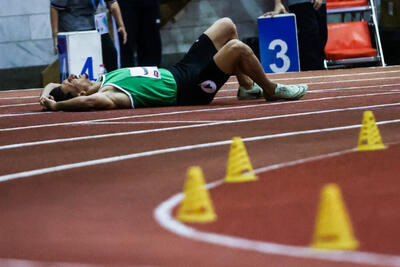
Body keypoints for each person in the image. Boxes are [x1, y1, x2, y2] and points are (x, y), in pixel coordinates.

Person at [40, 18, 307, 112]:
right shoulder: (108, 95)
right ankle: (270, 90)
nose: (73, 75)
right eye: (71, 81)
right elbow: (87, 104)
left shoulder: (105, 78)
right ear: (82, 92)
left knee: (227, 26)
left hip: (180, 68)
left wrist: (47, 97)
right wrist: (59, 107)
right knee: (237, 48)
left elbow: (51, 85)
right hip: (189, 88)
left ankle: (247, 87)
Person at [50, 0, 128, 72]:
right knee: (79, 60)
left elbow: (112, 3)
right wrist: (55, 36)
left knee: (111, 53)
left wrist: (121, 25)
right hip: (72, 27)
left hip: (95, 24)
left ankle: (112, 82)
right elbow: (54, 8)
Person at [265, 0, 327, 71]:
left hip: (321, 2)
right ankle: (310, 73)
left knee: (322, 36)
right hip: (300, 2)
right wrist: (278, 3)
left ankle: (319, 71)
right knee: (310, 37)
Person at [117, 0, 162, 67]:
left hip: (149, 5)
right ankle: (127, 76)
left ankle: (151, 75)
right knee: (126, 46)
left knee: (151, 45)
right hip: (125, 5)